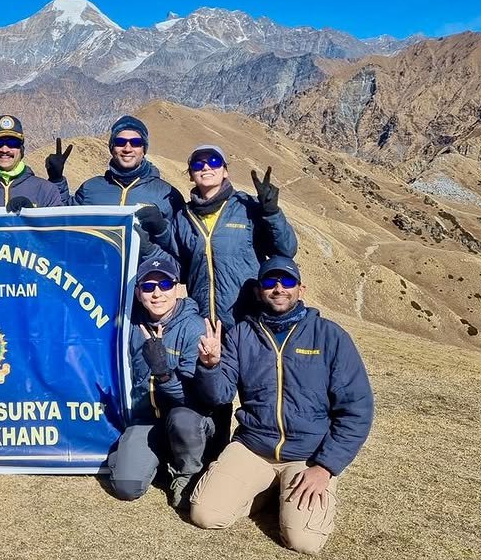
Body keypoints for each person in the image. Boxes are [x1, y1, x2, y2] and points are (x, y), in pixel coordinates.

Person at [189, 257, 374, 555]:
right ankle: (268, 489)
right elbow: (218, 396)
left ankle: (289, 496)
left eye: (287, 282)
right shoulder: (241, 336)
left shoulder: (330, 336)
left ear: (301, 289)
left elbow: (357, 409)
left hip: (308, 456)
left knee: (304, 542)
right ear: (259, 291)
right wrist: (210, 366)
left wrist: (325, 467)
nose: (278, 289)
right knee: (205, 515)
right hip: (252, 447)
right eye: (270, 283)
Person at [146, 144, 298, 330]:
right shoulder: (183, 217)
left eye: (214, 161)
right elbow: (179, 267)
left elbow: (286, 250)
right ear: (191, 175)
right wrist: (157, 234)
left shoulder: (247, 206)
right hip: (204, 324)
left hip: (247, 322)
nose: (206, 167)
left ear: (225, 171)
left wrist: (272, 213)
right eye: (197, 165)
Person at [105, 258, 213, 510]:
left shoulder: (193, 326)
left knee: (182, 420)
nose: (157, 293)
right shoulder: (128, 324)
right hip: (145, 419)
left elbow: (193, 396)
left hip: (186, 417)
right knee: (126, 486)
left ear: (177, 288)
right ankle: (151, 456)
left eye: (165, 284)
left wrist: (163, 372)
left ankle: (186, 472)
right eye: (148, 286)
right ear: (137, 291)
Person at [46, 115, 185, 249]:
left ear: (144, 149)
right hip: (97, 269)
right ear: (112, 148)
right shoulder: (90, 188)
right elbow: (62, 217)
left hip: (145, 271)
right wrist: (56, 179)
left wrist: (161, 229)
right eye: (120, 142)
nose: (127, 148)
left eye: (136, 143)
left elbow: (181, 246)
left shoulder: (166, 194)